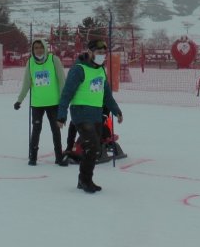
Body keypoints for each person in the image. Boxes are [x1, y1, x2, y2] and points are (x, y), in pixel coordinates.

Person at [57, 39, 123, 193]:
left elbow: (106, 94)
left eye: (104, 53)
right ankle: (85, 181)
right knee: (92, 145)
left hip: (96, 115)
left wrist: (116, 110)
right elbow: (66, 93)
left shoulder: (101, 70)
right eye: (99, 53)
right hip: (80, 113)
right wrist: (61, 115)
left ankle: (85, 179)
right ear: (90, 52)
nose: (102, 56)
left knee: (94, 149)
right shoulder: (79, 69)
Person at [14, 39, 68, 166]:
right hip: (37, 104)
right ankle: (33, 157)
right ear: (33, 50)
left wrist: (63, 100)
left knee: (56, 130)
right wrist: (19, 100)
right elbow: (27, 82)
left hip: (54, 103)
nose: (38, 50)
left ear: (45, 48)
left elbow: (62, 81)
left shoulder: (53, 60)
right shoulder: (30, 62)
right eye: (36, 48)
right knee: (36, 129)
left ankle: (59, 157)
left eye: (41, 47)